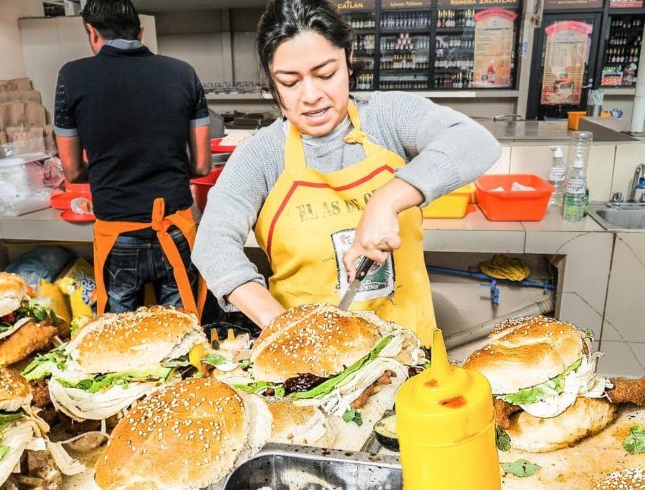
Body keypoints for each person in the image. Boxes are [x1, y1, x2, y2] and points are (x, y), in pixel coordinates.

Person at [192, 0, 500, 345]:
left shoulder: (388, 119)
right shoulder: (260, 155)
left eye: (326, 74)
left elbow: (475, 141)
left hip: (410, 351)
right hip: (310, 361)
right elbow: (212, 243)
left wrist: (387, 201)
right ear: (271, 81)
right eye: (289, 82)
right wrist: (283, 329)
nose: (311, 96)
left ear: (348, 59)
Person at [55, 0, 211, 316]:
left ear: (91, 32)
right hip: (175, 229)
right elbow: (202, 166)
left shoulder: (72, 77)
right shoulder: (183, 73)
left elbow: (71, 172)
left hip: (118, 234)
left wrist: (108, 170)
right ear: (140, 33)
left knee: (119, 344)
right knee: (181, 338)